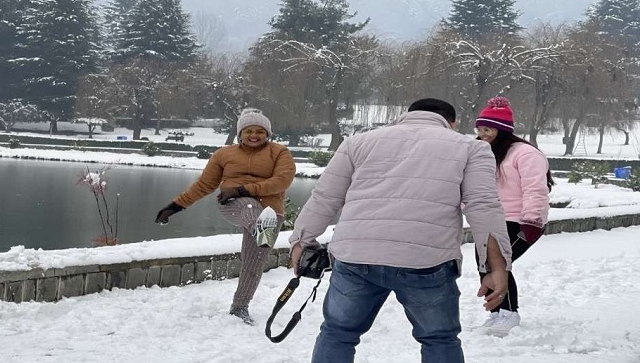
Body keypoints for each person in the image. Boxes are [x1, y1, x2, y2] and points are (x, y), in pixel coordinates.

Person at [289, 98, 513, 363]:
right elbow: (482, 207)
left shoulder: (357, 143)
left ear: (408, 115)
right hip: (426, 261)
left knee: (338, 333)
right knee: (439, 339)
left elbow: (325, 197)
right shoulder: (471, 148)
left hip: (356, 256)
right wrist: (497, 267)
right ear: (451, 123)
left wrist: (301, 240)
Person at [154, 108, 296, 325]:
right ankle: (260, 229)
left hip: (269, 210)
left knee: (253, 263)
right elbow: (204, 185)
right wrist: (175, 206)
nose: (254, 135)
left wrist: (243, 189)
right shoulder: (224, 154)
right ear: (240, 134)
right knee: (249, 207)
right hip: (233, 204)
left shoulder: (279, 152)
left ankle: (240, 306)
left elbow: (282, 181)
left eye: (260, 131)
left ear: (267, 134)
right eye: (249, 131)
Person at [474, 96, 552, 336]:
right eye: (479, 129)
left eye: (487, 129)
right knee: (485, 266)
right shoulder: (481, 152)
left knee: (500, 265)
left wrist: (532, 221)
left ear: (502, 130)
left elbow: (535, 189)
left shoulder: (525, 154)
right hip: (489, 219)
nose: (482, 134)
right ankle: (497, 313)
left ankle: (509, 313)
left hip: (518, 219)